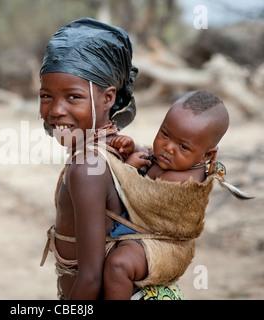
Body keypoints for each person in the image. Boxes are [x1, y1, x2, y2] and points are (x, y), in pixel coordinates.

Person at [38, 17, 183, 300]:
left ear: (108, 98)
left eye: (73, 97)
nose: (55, 110)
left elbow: (91, 279)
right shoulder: (120, 149)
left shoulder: (86, 168)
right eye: (46, 95)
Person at [104, 90, 253, 299]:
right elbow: (150, 157)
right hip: (143, 232)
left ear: (207, 155)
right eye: (164, 134)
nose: (168, 148)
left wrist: (127, 168)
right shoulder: (175, 160)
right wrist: (132, 147)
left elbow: (136, 195)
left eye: (183, 146)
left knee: (119, 265)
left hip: (166, 246)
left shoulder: (183, 181)